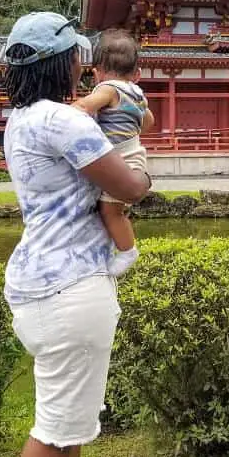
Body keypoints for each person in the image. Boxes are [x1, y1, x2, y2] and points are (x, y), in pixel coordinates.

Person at [2, 11, 151, 457]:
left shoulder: (19, 119)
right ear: (66, 63)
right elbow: (129, 188)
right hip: (71, 287)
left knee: (70, 423)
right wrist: (142, 170)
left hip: (35, 281)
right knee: (52, 430)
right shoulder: (64, 119)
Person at [72, 29, 153, 278]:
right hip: (134, 155)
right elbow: (148, 122)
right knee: (114, 208)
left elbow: (84, 107)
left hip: (121, 160)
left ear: (97, 73)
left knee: (110, 211)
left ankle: (128, 251)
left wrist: (64, 113)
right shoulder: (138, 94)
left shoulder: (107, 89)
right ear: (137, 74)